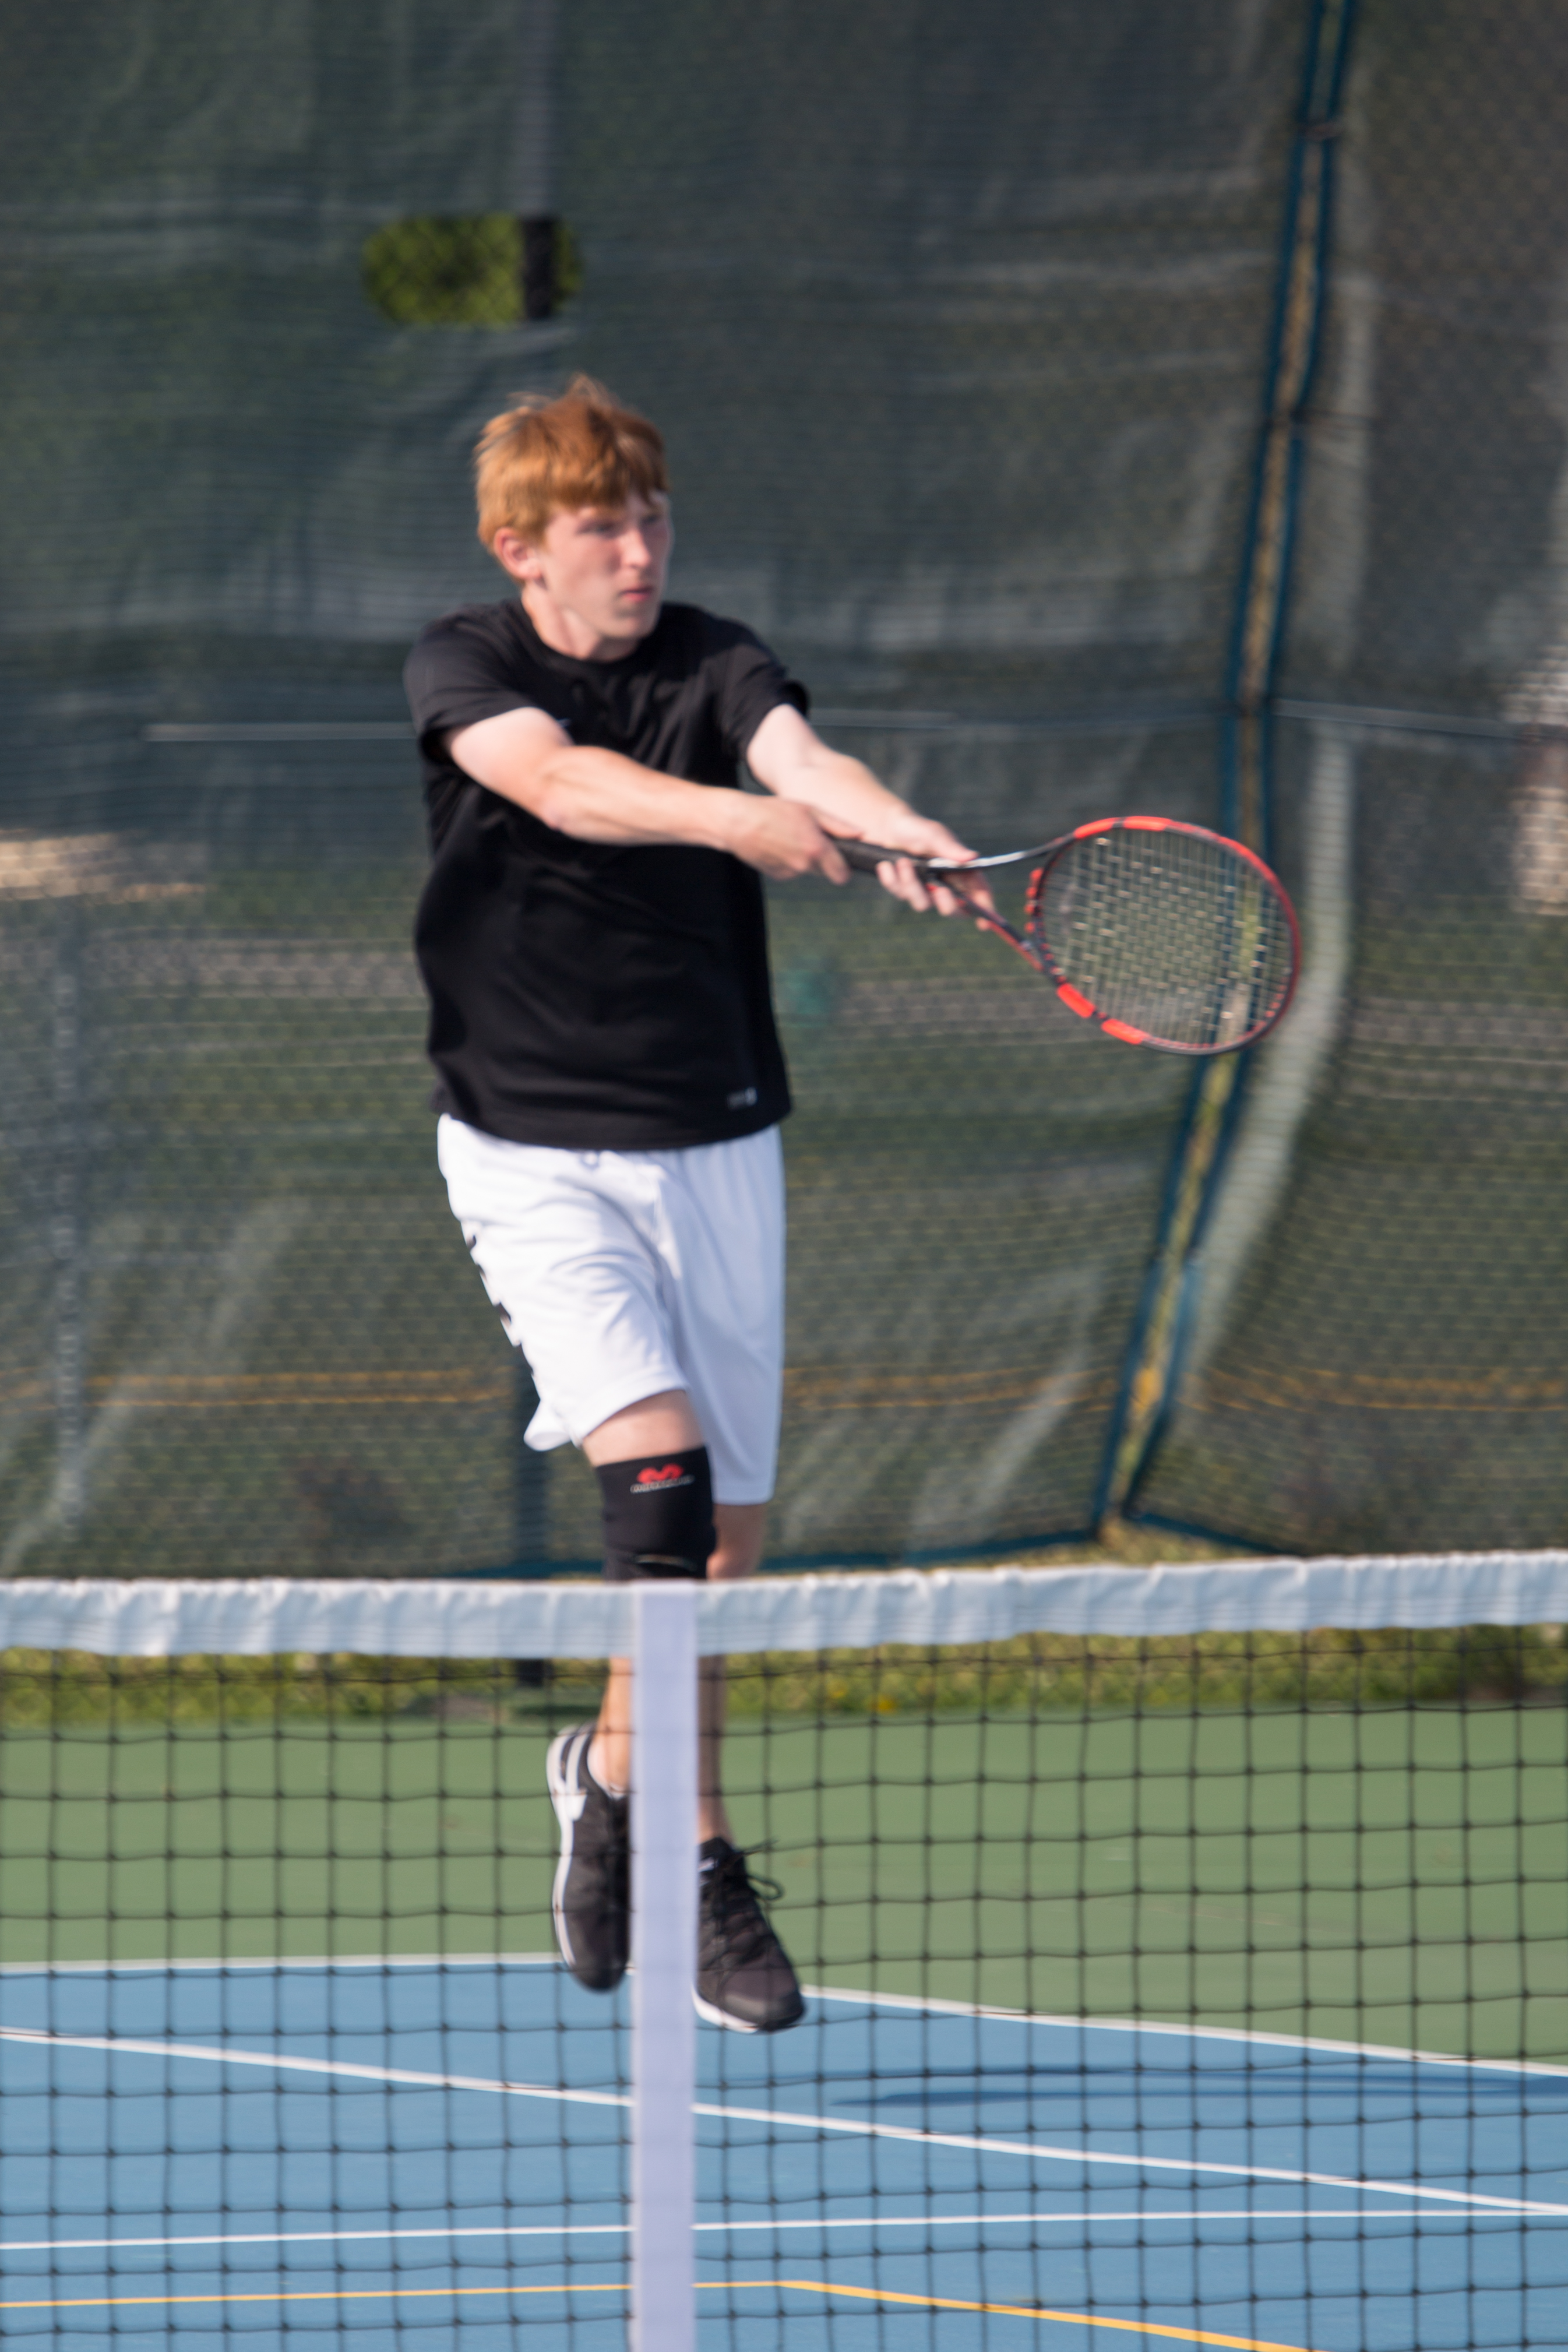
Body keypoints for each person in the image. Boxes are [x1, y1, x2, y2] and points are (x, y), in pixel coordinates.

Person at [404, 376, 985, 2033]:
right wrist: (742, 824)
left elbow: (801, 754)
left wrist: (893, 827)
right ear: (520, 547)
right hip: (533, 1152)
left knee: (720, 1550)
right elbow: (563, 785)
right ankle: (697, 1855)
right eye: (601, 526)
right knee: (657, 1490)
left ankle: (609, 1776)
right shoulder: (466, 664)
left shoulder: (715, 658)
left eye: (651, 517)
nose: (638, 549)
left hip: (720, 1144)